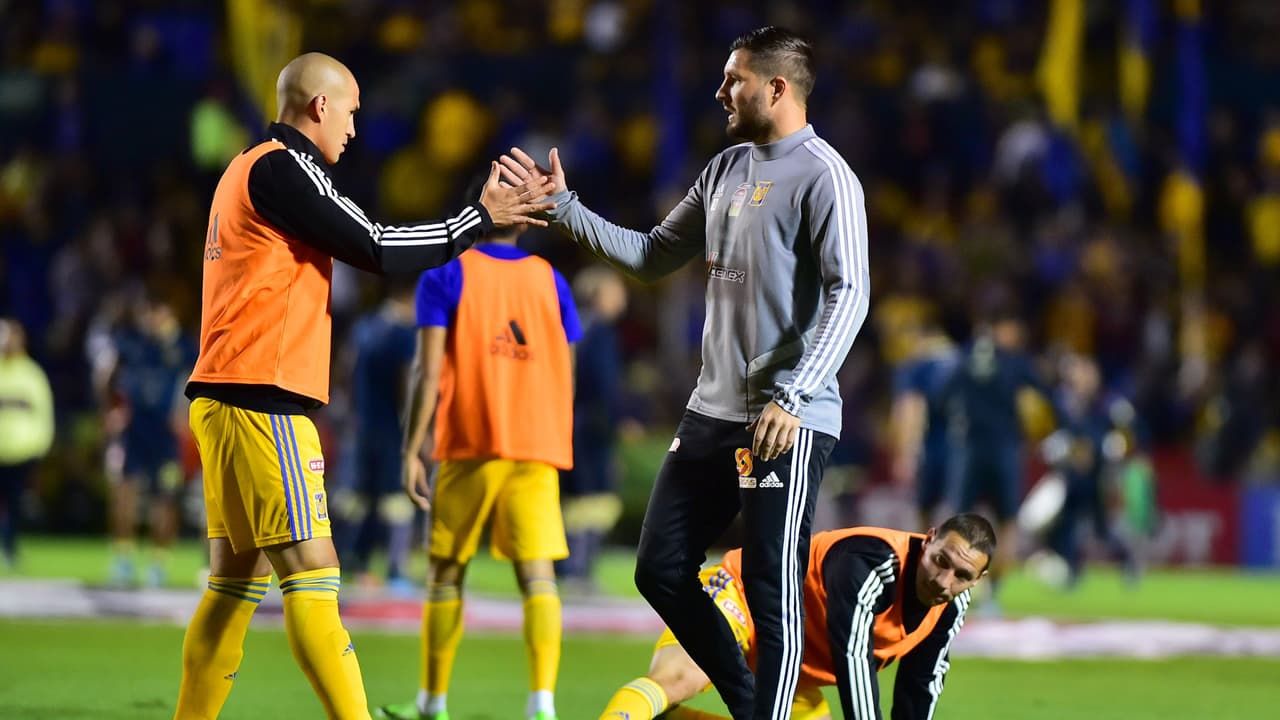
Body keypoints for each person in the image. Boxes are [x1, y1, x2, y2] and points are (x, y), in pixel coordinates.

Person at [502, 26, 870, 720]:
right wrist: (565, 209)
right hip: (714, 410)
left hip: (783, 421)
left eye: (735, 79)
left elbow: (850, 293)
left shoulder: (826, 176)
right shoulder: (726, 168)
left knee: (770, 583)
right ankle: (758, 708)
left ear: (777, 88)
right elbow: (650, 256)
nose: (720, 91)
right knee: (660, 569)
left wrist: (792, 397)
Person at [174, 52, 555, 720]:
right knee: (313, 570)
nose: (354, 127)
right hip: (264, 397)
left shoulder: (247, 169)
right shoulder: (282, 166)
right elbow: (376, 245)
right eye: (350, 111)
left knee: (234, 584)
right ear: (319, 106)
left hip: (226, 393)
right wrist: (477, 219)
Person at [376, 189, 582, 720]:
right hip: (535, 445)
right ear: (524, 225)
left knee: (446, 573)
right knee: (538, 577)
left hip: (470, 440)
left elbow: (425, 370)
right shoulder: (552, 281)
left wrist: (411, 449)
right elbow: (568, 364)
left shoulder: (444, 276)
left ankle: (432, 702)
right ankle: (543, 705)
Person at [599, 513, 995, 720]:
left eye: (962, 576)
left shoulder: (950, 606)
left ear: (979, 579)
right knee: (679, 679)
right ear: (927, 540)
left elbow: (920, 686)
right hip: (740, 597)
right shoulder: (872, 561)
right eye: (940, 560)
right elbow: (852, 658)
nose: (943, 580)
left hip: (788, 661)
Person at [938, 309, 1060, 612]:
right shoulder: (1013, 361)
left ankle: (951, 586)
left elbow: (941, 397)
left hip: (969, 449)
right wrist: (1064, 429)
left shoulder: (965, 358)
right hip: (1003, 449)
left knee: (960, 518)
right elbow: (1047, 394)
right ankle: (991, 594)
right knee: (1007, 522)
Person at [102, 294, 197, 588]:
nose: (152, 318)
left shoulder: (183, 346)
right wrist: (113, 411)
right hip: (135, 431)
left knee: (165, 497)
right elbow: (108, 377)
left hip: (166, 434)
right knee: (125, 491)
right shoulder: (134, 343)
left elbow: (195, 380)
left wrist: (185, 414)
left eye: (157, 311)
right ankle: (123, 558)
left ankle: (158, 563)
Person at [342, 277, 419, 594]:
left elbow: (345, 370)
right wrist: (414, 426)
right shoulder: (403, 334)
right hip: (389, 426)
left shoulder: (364, 327)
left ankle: (354, 563)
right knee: (396, 501)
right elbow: (407, 381)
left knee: (360, 498)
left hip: (360, 424)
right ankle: (397, 570)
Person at [556, 265, 629, 592]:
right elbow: (604, 385)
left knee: (573, 500)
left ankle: (566, 568)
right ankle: (578, 571)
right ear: (599, 294)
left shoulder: (573, 326)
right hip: (594, 427)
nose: (621, 297)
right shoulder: (600, 331)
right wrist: (619, 421)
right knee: (597, 501)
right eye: (615, 291)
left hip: (569, 422)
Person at [889, 320, 959, 531]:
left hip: (933, 450)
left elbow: (912, 409)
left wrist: (906, 454)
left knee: (925, 515)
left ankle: (923, 560)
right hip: (966, 449)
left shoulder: (916, 367)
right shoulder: (963, 362)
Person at [0, 318, 55, 569]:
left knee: (15, 504)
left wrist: (40, 448)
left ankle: (10, 548)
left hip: (22, 453)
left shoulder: (33, 374)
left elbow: (44, 414)